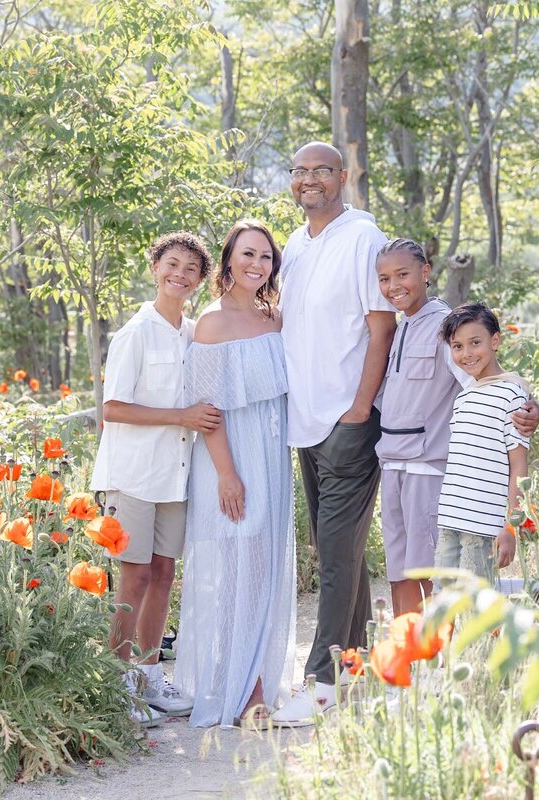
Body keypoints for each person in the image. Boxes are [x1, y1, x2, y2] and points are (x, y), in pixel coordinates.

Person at [270, 142, 397, 727]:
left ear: (343, 176)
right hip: (306, 420)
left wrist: (359, 409)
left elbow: (380, 329)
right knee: (337, 551)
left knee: (337, 557)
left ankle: (321, 682)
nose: (309, 180)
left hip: (349, 420)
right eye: (299, 172)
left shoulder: (362, 239)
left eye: (321, 170)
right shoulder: (296, 244)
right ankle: (358, 668)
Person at [90, 231, 220, 728]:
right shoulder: (136, 333)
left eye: (191, 268)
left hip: (177, 475)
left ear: (200, 279)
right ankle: (117, 683)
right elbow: (113, 407)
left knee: (165, 574)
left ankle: (149, 677)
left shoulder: (192, 332)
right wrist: (180, 416)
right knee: (134, 575)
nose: (180, 274)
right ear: (155, 267)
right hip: (133, 475)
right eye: (172, 263)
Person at [175, 221, 296, 728]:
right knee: (233, 567)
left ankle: (258, 680)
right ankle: (236, 687)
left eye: (266, 257)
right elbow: (206, 409)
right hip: (230, 459)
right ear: (228, 260)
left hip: (271, 456)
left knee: (264, 569)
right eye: (248, 254)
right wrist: (227, 475)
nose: (257, 264)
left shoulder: (276, 319)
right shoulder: (211, 322)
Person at [374, 238, 469, 615]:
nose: (393, 286)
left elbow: (479, 380)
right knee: (398, 570)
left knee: (429, 571)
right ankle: (407, 656)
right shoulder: (400, 329)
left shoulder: (447, 327)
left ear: (425, 272)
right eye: (384, 278)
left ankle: (436, 662)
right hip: (392, 467)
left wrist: (528, 406)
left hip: (428, 470)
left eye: (402, 274)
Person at [434, 303, 531, 582]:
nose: (466, 354)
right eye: (458, 346)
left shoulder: (512, 395)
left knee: (478, 611)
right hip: (450, 520)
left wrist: (511, 527)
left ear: (495, 340)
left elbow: (519, 468)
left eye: (475, 343)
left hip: (483, 527)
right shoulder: (463, 397)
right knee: (443, 605)